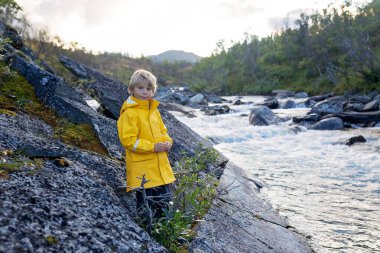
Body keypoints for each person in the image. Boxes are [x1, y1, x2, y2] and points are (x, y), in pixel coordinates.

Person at [117, 69, 175, 218]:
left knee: (165, 207)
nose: (145, 92)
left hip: (160, 168)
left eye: (149, 89)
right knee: (146, 210)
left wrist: (167, 141)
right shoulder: (129, 113)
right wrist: (152, 147)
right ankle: (146, 237)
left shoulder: (153, 111)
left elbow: (163, 131)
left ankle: (166, 237)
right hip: (143, 171)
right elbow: (128, 140)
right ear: (131, 90)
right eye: (140, 88)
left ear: (153, 91)